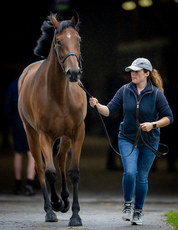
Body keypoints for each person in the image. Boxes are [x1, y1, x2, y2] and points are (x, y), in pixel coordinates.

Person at [89, 58, 173, 225]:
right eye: (131, 71)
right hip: (127, 138)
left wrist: (153, 125)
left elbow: (169, 118)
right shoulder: (125, 90)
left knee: (142, 177)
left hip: (149, 141)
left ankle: (138, 212)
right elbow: (109, 110)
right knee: (129, 172)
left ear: (146, 74)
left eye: (136, 71)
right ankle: (128, 204)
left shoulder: (157, 94)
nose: (132, 74)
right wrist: (98, 105)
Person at [4, 78, 36, 196]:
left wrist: (11, 120)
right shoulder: (35, 82)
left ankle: (17, 185)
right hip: (31, 119)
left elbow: (6, 105)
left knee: (18, 153)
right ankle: (29, 184)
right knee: (31, 153)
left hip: (17, 118)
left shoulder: (14, 83)